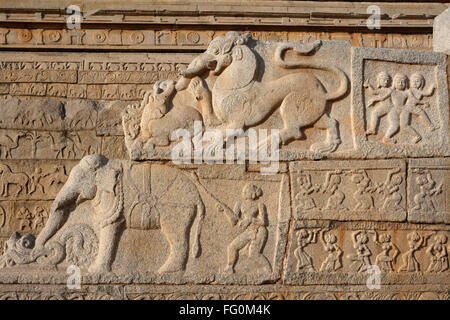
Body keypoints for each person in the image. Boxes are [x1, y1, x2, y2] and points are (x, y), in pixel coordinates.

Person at [223, 183, 272, 274]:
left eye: (246, 190)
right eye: (243, 191)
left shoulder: (259, 205)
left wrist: (250, 220)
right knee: (232, 247)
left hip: (259, 232)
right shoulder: (239, 204)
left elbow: (264, 222)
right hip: (249, 232)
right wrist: (225, 211)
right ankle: (230, 268)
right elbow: (234, 221)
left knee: (253, 254)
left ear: (252, 193)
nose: (244, 192)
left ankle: (269, 270)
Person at [400, 73, 438, 143]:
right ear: (410, 82)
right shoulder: (409, 91)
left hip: (412, 107)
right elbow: (413, 99)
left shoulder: (420, 92)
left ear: (421, 83)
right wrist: (423, 103)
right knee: (404, 125)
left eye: (417, 81)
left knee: (422, 113)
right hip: (407, 108)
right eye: (413, 81)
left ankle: (431, 126)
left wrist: (432, 87)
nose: (415, 83)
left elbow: (428, 93)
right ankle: (417, 135)